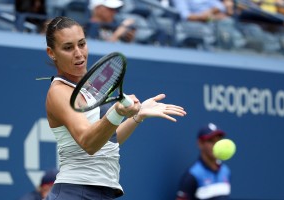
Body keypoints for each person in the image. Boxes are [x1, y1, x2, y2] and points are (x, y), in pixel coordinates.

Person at [44, 16, 186, 199]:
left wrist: (137, 117)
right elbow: (88, 142)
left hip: (101, 193)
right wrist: (118, 112)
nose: (78, 53)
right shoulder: (59, 92)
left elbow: (109, 140)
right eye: (68, 47)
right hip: (75, 192)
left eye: (82, 44)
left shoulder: (91, 89)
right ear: (51, 53)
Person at [176, 123, 231, 200]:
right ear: (200, 143)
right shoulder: (192, 175)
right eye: (211, 141)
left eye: (218, 141)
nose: (216, 145)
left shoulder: (225, 170)